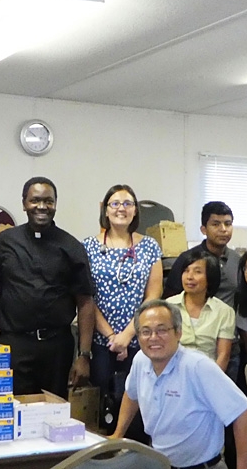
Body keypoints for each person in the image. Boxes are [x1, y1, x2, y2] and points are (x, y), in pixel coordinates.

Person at [112, 299, 247, 469]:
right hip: (160, 462)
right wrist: (117, 435)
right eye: (145, 331)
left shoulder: (198, 366)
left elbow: (244, 413)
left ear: (178, 332)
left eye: (162, 330)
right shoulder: (141, 360)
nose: (153, 338)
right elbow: (131, 393)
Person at [0, 177, 94, 399]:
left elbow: (85, 302)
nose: (41, 207)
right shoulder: (5, 241)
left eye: (48, 201)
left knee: (53, 412)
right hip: (14, 344)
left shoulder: (72, 246)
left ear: (55, 204)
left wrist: (84, 355)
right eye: (35, 200)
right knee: (11, 408)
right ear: (24, 203)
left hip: (56, 347)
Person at [82, 184, 161, 435]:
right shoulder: (88, 247)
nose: (121, 209)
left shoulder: (149, 246)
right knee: (104, 409)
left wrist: (128, 334)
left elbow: (153, 295)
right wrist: (111, 337)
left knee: (139, 407)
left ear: (135, 210)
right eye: (115, 203)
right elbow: (86, 297)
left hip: (142, 339)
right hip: (101, 341)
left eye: (127, 203)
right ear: (105, 210)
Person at [163, 201, 242, 381]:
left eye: (228, 224)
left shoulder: (238, 261)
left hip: (226, 345)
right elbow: (171, 298)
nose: (223, 229)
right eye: (216, 224)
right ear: (203, 229)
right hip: (185, 348)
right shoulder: (188, 260)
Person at [166, 250, 235, 371]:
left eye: (197, 272)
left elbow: (223, 355)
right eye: (186, 271)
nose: (189, 277)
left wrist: (211, 382)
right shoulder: (168, 306)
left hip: (208, 371)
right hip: (173, 371)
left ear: (210, 277)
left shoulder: (224, 311)